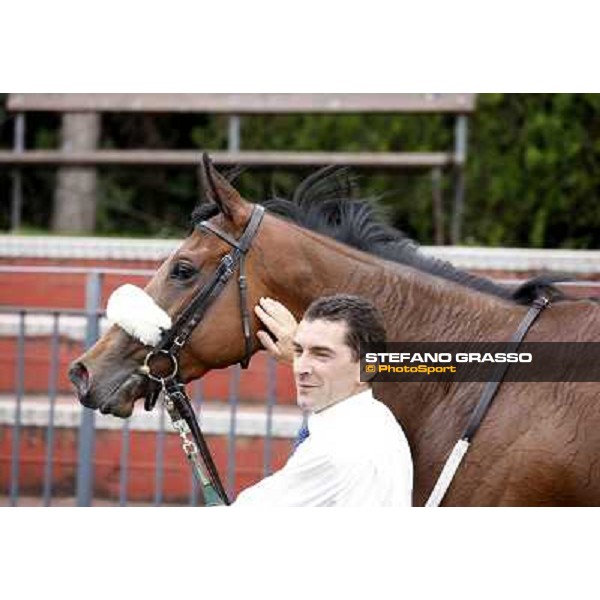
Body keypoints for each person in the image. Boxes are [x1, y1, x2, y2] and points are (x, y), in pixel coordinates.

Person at [232, 294, 413, 507]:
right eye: (298, 351)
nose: (300, 368)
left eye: (321, 355)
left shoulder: (335, 449)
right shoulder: (378, 418)